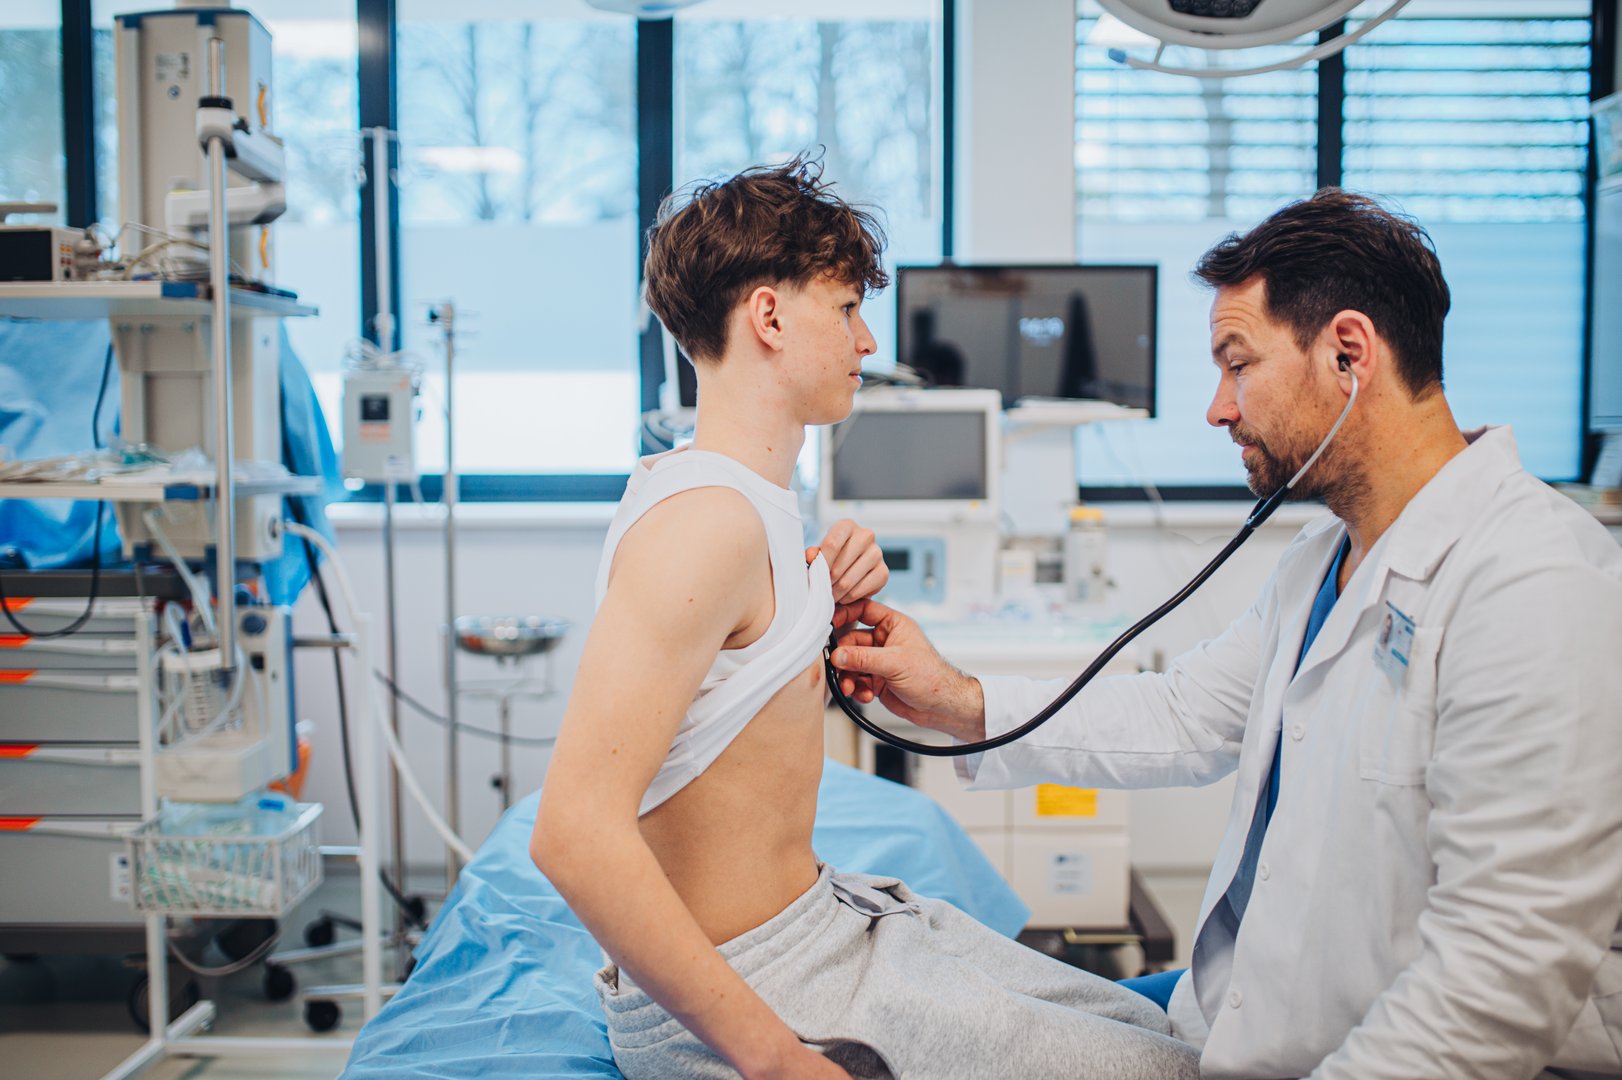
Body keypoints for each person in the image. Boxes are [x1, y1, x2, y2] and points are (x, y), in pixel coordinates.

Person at [830, 189, 1622, 1079]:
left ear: (1349, 353)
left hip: (1374, 1048)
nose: (1217, 408)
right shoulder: (1324, 563)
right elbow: (1183, 716)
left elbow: (1502, 973)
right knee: (953, 1000)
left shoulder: (1533, 585)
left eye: (1236, 364)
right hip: (1245, 1008)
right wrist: (957, 701)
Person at [529, 157, 1200, 1080]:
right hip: (768, 990)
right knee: (1173, 1070)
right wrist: (776, 1062)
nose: (868, 338)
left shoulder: (752, 506)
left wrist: (820, 602)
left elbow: (730, 689)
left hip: (824, 926)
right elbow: (572, 830)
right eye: (846, 310)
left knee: (1156, 1026)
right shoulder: (705, 527)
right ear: (768, 316)